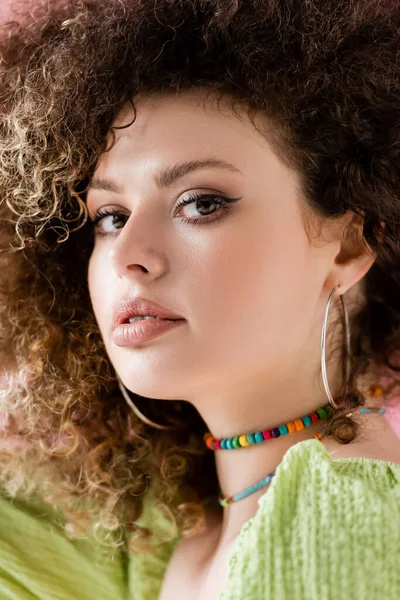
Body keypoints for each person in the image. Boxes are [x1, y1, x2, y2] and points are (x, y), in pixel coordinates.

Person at [0, 0, 399, 598]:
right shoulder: (150, 536)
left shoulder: (343, 508)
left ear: (346, 248)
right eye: (110, 215)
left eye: (201, 203)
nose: (126, 253)